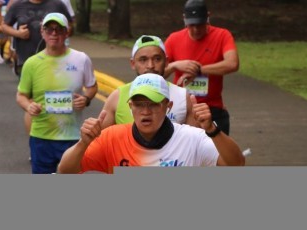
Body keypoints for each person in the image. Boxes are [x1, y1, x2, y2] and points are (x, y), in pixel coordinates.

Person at [57, 73, 245, 173]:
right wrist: (83, 143)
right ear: (130, 106)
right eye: (139, 104)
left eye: (153, 104)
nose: (145, 111)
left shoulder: (192, 138)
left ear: (168, 106)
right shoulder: (111, 138)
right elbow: (65, 171)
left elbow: (237, 164)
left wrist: (212, 130)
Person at [16, 12, 95, 174]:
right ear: (42, 32)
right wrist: (29, 106)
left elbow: (92, 86)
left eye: (59, 29)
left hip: (72, 137)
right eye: (49, 29)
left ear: (66, 33)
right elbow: (21, 95)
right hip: (41, 137)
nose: (54, 33)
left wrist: (86, 98)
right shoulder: (32, 63)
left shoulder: (81, 59)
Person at [164, 0, 238, 134]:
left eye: (200, 24)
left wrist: (198, 70)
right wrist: (175, 65)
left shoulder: (222, 35)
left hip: (212, 108)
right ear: (184, 19)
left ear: (208, 17)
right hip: (182, 108)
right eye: (191, 25)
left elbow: (232, 63)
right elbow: (157, 73)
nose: (196, 30)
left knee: (219, 146)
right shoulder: (174, 39)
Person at [101, 34, 195, 129]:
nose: (150, 65)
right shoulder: (117, 97)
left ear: (166, 62)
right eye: (143, 60)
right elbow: (99, 137)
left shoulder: (182, 96)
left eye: (157, 59)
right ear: (133, 63)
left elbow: (196, 137)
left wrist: (204, 124)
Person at [1, 0, 69, 77]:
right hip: (25, 59)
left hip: (53, 59)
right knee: (27, 84)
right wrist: (18, 33)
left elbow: (69, 27)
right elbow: (4, 26)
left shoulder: (57, 4)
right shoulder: (18, 5)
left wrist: (56, 31)